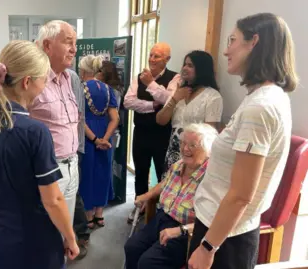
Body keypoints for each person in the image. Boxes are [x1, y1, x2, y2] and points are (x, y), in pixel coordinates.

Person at [188, 13, 297, 269]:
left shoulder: (259, 107)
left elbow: (241, 195)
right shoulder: (264, 97)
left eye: (232, 40)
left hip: (226, 238)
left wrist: (207, 247)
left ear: (254, 42)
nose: (226, 50)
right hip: (222, 228)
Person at [0, 40, 79, 269]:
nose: (46, 85)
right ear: (28, 82)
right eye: (44, 79)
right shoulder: (34, 132)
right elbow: (53, 200)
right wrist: (70, 236)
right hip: (33, 234)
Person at [124, 123, 218, 269]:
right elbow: (164, 183)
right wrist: (147, 195)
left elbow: (214, 221)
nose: (185, 149)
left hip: (186, 231)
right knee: (132, 247)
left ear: (208, 150)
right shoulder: (178, 165)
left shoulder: (212, 177)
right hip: (163, 217)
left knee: (148, 263)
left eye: (193, 145)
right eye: (183, 143)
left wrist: (181, 230)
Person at [30, 20, 79, 223]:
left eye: (75, 43)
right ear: (48, 46)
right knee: (44, 229)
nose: (74, 49)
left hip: (72, 164)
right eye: (68, 42)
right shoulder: (32, 79)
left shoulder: (68, 78)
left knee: (63, 227)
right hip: (47, 168)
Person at [123, 42, 177, 223]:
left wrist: (150, 84)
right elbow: (128, 102)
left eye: (157, 56)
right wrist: (152, 105)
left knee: (164, 172)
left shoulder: (174, 78)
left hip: (163, 135)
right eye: (151, 55)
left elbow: (170, 100)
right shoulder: (138, 77)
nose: (152, 59)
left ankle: (160, 210)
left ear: (167, 59)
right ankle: (139, 207)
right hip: (141, 133)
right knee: (140, 172)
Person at [156, 50, 223, 178]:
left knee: (187, 193)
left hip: (195, 155)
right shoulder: (178, 91)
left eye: (190, 66)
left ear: (202, 69)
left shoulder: (212, 96)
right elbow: (160, 120)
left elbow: (210, 133)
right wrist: (175, 99)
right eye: (185, 64)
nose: (184, 68)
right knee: (169, 192)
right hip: (174, 150)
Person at [78, 55, 119, 228]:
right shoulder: (108, 90)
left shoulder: (80, 89)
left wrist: (94, 140)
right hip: (105, 137)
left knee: (87, 174)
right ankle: (99, 214)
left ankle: (88, 215)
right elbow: (115, 118)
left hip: (87, 138)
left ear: (84, 70)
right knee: (103, 172)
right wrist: (104, 138)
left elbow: (79, 119)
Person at [66, 68, 90, 259]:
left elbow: (77, 114)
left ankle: (81, 234)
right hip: (57, 149)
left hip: (72, 147)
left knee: (74, 193)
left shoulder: (70, 76)